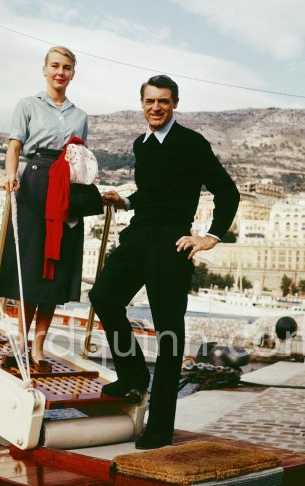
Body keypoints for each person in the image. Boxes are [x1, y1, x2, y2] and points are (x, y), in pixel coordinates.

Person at [89, 75, 240, 449]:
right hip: (139, 235)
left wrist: (209, 237)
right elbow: (152, 193)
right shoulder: (142, 144)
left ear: (175, 104)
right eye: (150, 101)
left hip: (173, 242)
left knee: (168, 333)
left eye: (164, 101)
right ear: (142, 104)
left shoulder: (191, 143)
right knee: (104, 297)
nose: (156, 107)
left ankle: (160, 427)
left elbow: (227, 191)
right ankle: (134, 373)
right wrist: (125, 201)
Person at [0, 46, 87, 373]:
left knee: (55, 270)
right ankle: (20, 343)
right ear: (45, 69)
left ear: (73, 73)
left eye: (66, 67)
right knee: (32, 267)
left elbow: (80, 159)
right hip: (35, 185)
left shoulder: (81, 116)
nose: (60, 72)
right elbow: (15, 146)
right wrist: (10, 173)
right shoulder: (27, 105)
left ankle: (38, 349)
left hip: (67, 189)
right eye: (55, 66)